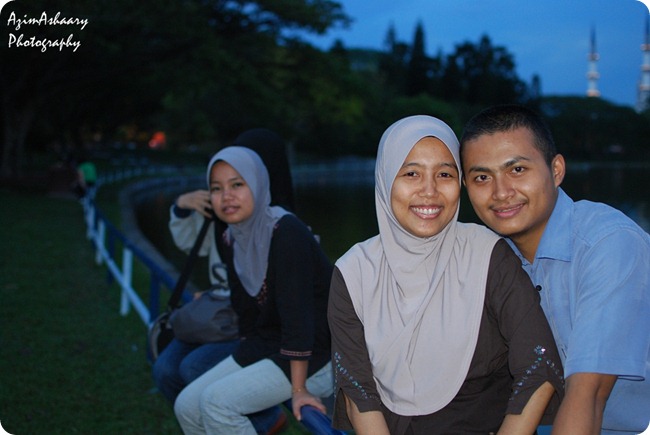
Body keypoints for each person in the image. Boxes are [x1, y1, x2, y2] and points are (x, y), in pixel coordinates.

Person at [328, 115, 564, 435]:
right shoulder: (354, 272)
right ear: (385, 179)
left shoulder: (487, 255)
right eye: (411, 173)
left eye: (444, 174)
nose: (430, 191)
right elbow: (358, 390)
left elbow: (537, 366)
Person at [459, 104, 650, 434]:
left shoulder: (608, 244)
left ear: (556, 170)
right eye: (482, 178)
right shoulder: (486, 257)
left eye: (517, 169)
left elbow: (589, 395)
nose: (501, 192)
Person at [173, 146, 334, 434]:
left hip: (319, 354)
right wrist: (245, 359)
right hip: (270, 345)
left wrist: (299, 390)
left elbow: (299, 318)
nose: (226, 196)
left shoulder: (287, 232)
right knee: (186, 404)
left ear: (258, 184)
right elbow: (247, 316)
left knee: (217, 403)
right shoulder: (232, 237)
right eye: (216, 188)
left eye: (237, 185)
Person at [152, 128, 294, 432]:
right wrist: (182, 206)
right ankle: (212, 424)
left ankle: (263, 420)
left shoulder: (285, 225)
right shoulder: (224, 209)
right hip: (221, 316)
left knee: (194, 367)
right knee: (165, 369)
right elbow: (192, 245)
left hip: (256, 326)